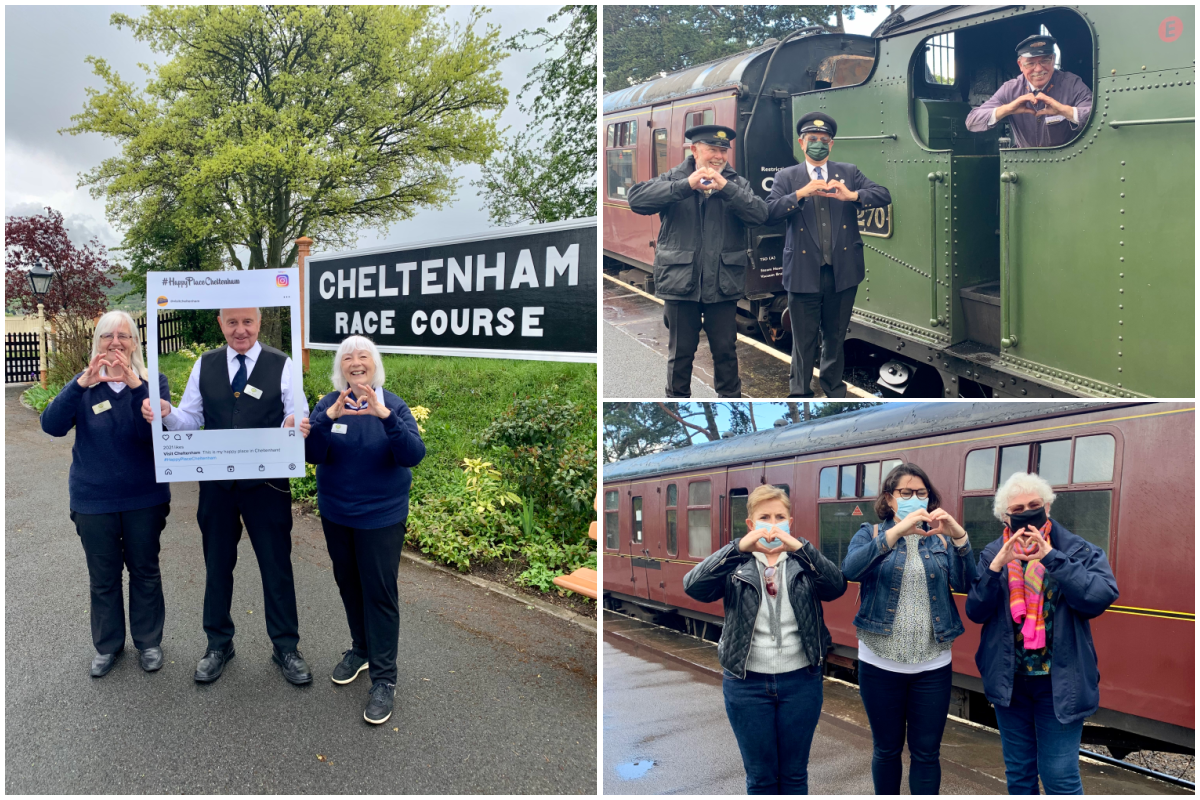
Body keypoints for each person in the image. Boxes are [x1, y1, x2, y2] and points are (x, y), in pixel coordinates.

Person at [141, 307, 311, 685]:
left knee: (276, 567)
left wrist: (292, 423)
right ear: (221, 324)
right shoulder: (206, 364)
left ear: (259, 322)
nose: (240, 330)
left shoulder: (281, 364)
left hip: (267, 485)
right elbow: (189, 419)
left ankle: (286, 647)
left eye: (247, 322)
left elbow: (296, 412)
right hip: (217, 484)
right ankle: (218, 644)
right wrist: (167, 412)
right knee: (217, 566)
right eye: (231, 322)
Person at [683, 485, 847, 794]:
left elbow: (836, 587)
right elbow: (693, 587)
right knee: (760, 776)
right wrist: (737, 548)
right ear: (750, 524)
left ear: (790, 521)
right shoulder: (736, 565)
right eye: (764, 517)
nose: (773, 524)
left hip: (801, 682)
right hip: (746, 684)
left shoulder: (803, 562)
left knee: (795, 775)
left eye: (780, 516)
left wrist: (801, 549)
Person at [966, 472, 1118, 794]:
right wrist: (995, 568)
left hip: (1060, 683)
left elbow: (1099, 597)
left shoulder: (1076, 550)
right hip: (1011, 682)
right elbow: (976, 611)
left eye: (1034, 504)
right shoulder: (993, 553)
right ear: (1005, 517)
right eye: (1018, 508)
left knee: (1059, 775)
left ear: (1047, 507)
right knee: (1019, 773)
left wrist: (1051, 558)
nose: (1027, 512)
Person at [42, 310, 171, 677]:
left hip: (144, 497)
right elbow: (52, 426)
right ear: (96, 342)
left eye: (124, 336)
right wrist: (82, 382)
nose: (115, 342)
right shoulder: (82, 386)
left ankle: (148, 642)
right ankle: (108, 645)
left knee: (145, 571)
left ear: (135, 343)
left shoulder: (152, 382)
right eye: (107, 336)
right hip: (93, 499)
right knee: (103, 576)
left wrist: (135, 387)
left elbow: (153, 436)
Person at [304, 335, 426, 724]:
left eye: (363, 357)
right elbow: (311, 455)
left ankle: (385, 679)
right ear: (340, 367)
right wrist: (327, 420)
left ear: (374, 365)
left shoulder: (392, 404)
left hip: (381, 517)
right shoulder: (328, 403)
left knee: (380, 594)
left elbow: (413, 455)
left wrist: (385, 417)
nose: (356, 363)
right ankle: (361, 649)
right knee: (349, 585)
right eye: (348, 358)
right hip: (337, 514)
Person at [841, 463, 976, 795]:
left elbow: (970, 583)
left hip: (932, 665)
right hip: (879, 662)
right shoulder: (871, 532)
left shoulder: (940, 542)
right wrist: (896, 533)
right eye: (906, 493)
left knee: (927, 754)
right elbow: (850, 569)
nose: (915, 498)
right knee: (886, 750)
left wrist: (960, 538)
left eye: (921, 493)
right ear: (889, 498)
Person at [627, 124, 769, 398]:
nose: (718, 156)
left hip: (722, 284)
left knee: (726, 352)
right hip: (681, 284)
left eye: (722, 151)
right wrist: (686, 185)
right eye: (712, 149)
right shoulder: (673, 178)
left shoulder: (736, 184)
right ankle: (677, 399)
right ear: (694, 150)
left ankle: (730, 399)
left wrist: (727, 189)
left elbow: (760, 215)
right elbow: (637, 200)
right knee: (680, 354)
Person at [766, 112, 892, 398]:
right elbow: (769, 213)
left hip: (843, 271)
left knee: (835, 336)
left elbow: (883, 194)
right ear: (802, 143)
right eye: (813, 140)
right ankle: (799, 391)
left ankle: (834, 388)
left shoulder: (848, 172)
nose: (819, 145)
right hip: (802, 271)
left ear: (831, 145)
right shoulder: (787, 177)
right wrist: (799, 194)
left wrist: (854, 196)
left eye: (824, 140)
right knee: (803, 338)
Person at [965, 34, 1093, 148]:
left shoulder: (1072, 84)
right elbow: (972, 121)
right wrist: (1008, 109)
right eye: (1030, 63)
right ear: (1020, 65)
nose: (1038, 69)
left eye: (1045, 61)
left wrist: (1064, 110)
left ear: (1053, 59)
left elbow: (1097, 116)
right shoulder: (1010, 89)